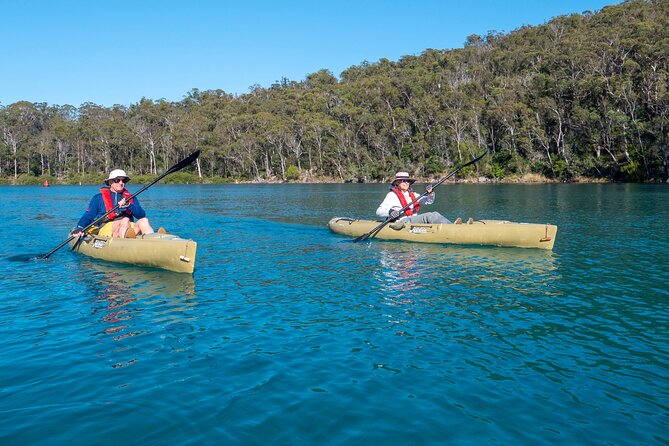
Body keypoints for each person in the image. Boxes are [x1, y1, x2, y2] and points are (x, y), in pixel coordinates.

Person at [71, 169, 155, 238]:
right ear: (110, 182)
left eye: (124, 180)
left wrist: (129, 206)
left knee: (144, 221)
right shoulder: (98, 198)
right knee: (124, 220)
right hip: (107, 227)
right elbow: (88, 215)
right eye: (117, 180)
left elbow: (141, 215)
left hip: (128, 226)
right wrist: (80, 227)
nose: (121, 183)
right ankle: (125, 244)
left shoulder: (131, 197)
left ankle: (153, 241)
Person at [376, 171, 471, 229]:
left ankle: (453, 226)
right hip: (401, 222)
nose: (406, 182)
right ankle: (454, 228)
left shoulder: (413, 195)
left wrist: (430, 193)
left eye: (407, 181)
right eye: (403, 180)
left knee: (435, 214)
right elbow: (379, 212)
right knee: (430, 216)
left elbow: (428, 201)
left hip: (412, 221)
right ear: (397, 183)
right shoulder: (391, 195)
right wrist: (390, 212)